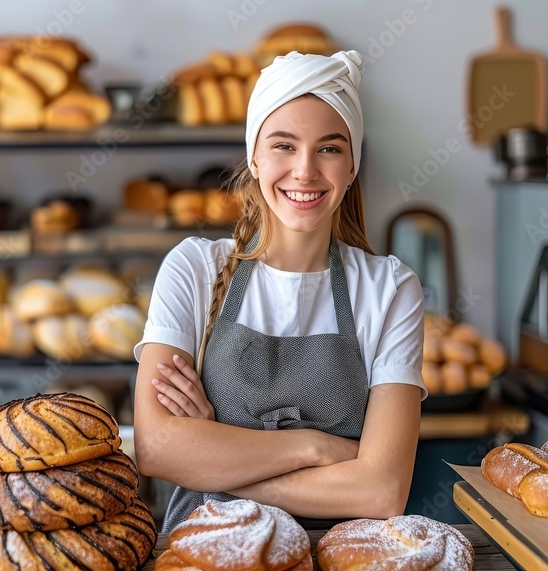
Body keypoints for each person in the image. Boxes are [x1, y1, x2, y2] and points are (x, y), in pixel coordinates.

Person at [133, 49, 426, 532]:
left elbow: (382, 490)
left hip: (338, 556)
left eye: (330, 148)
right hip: (205, 550)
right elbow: (158, 447)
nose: (306, 171)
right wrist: (317, 448)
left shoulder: (391, 288)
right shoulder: (194, 269)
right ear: (254, 156)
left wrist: (216, 457)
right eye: (284, 146)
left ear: (352, 166)